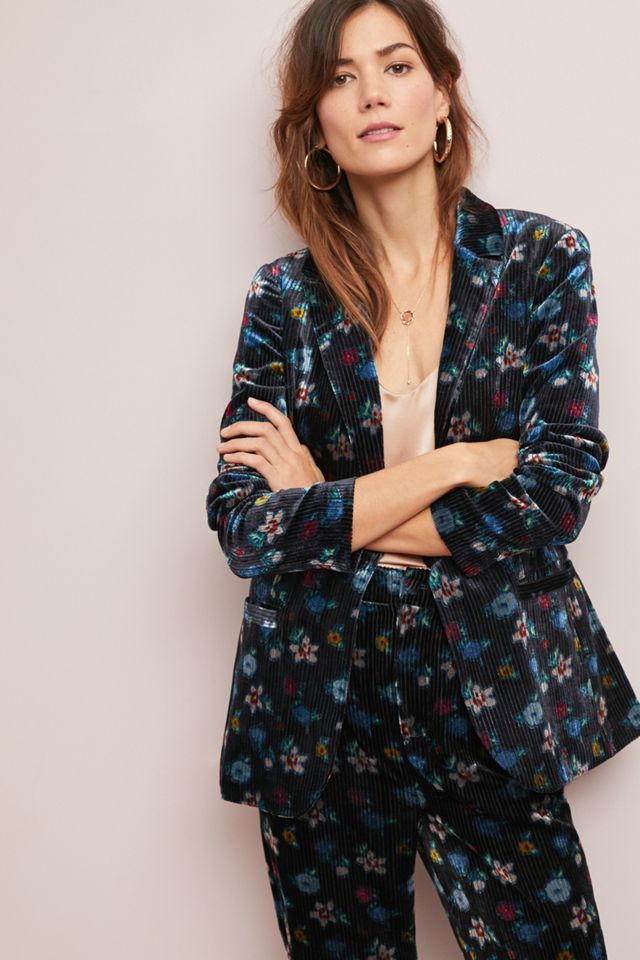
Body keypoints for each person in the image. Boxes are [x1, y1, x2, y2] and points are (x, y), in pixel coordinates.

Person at [205, 1, 640, 956]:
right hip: (318, 701)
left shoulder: (540, 261)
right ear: (317, 126)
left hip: (491, 690)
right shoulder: (283, 299)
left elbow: (555, 494)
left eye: (396, 66)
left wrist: (326, 499)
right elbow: (244, 525)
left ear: (441, 94)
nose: (371, 94)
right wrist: (454, 463)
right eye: (341, 77)